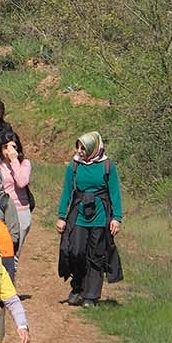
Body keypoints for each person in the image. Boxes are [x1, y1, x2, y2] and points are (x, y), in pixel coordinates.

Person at [57, 131, 123, 306]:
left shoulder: (107, 165)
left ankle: (91, 296)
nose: (80, 151)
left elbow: (115, 192)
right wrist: (62, 216)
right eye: (78, 147)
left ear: (94, 148)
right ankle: (78, 286)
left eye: (84, 148)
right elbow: (66, 191)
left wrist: (116, 218)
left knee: (96, 255)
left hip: (100, 214)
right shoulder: (74, 166)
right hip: (79, 213)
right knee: (76, 251)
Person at [0, 137, 35, 249]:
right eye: (6, 147)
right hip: (2, 210)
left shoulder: (25, 163)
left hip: (20, 211)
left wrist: (14, 161)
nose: (9, 151)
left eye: (13, 147)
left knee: (14, 250)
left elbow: (21, 182)